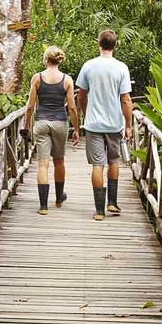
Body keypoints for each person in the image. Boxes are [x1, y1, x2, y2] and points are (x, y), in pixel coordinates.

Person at [77, 29, 133, 221]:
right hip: (114, 124)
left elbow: (81, 95)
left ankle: (99, 210)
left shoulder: (89, 66)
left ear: (98, 43)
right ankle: (113, 202)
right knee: (113, 161)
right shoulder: (121, 68)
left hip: (93, 125)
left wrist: (86, 114)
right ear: (115, 45)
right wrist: (128, 125)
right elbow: (125, 99)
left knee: (97, 165)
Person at [23, 46, 80, 215]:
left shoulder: (37, 78)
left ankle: (43, 206)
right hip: (60, 124)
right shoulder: (67, 79)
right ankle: (58, 197)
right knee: (59, 161)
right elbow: (72, 107)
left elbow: (30, 106)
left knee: (43, 163)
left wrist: (26, 126)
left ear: (46, 59)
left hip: (41, 123)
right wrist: (76, 129)